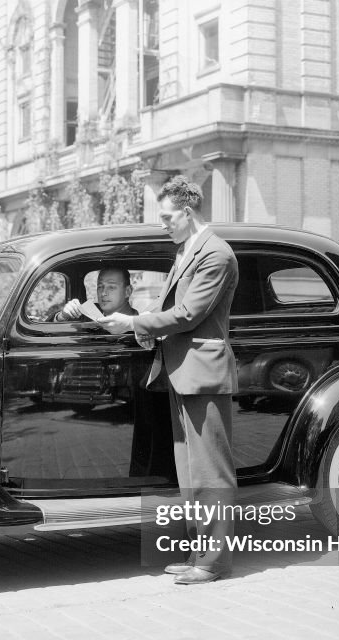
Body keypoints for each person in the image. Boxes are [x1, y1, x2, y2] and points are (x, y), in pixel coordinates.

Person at [99, 176, 238, 584]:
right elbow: (170, 307)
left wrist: (133, 322)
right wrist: (139, 326)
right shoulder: (187, 251)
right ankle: (199, 555)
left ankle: (214, 562)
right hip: (182, 373)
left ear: (187, 212)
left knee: (211, 472)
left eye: (166, 217)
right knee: (190, 472)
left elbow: (188, 314)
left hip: (203, 374)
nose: (163, 224)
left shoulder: (216, 254)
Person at [53, 266, 138, 320]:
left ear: (128, 291)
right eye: (100, 287)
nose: (103, 293)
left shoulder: (140, 325)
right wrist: (62, 317)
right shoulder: (86, 313)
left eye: (111, 287)